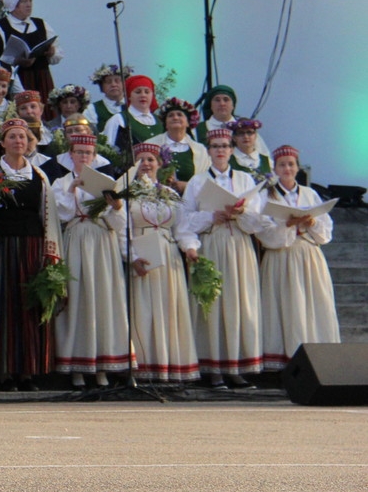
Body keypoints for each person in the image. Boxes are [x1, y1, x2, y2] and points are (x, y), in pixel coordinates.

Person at [0, 117, 62, 390]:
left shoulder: (40, 176)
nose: (18, 141)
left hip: (32, 248)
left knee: (30, 307)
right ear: (2, 143)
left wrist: (49, 251)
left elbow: (48, 215)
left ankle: (28, 371)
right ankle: (4, 371)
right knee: (5, 308)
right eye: (12, 137)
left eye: (23, 137)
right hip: (4, 247)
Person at [178, 128, 268, 389]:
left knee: (239, 303)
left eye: (225, 146)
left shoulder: (243, 179)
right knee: (213, 305)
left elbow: (257, 221)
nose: (220, 150)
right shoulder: (197, 182)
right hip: (212, 242)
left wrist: (240, 213)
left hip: (239, 244)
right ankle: (214, 368)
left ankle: (235, 367)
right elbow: (184, 220)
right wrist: (210, 217)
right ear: (208, 151)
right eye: (215, 146)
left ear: (231, 150)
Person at [51, 132, 132, 388]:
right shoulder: (61, 182)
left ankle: (102, 366)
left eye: (88, 153)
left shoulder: (106, 181)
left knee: (103, 299)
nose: (84, 157)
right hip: (76, 240)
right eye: (79, 153)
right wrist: (71, 190)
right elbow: (60, 215)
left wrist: (117, 207)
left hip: (101, 242)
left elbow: (118, 222)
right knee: (79, 299)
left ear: (94, 156)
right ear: (71, 155)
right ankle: (77, 366)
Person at [256, 146, 339, 371]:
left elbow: (325, 230)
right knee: (287, 307)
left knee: (312, 305)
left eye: (291, 164)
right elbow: (264, 230)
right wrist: (286, 225)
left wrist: (313, 223)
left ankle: (317, 360)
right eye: (282, 164)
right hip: (281, 256)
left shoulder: (309, 194)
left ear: (298, 167)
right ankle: (286, 363)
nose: (287, 168)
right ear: (275, 168)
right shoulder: (267, 195)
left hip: (308, 255)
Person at [123, 143, 199, 385]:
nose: (146, 164)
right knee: (144, 309)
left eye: (151, 159)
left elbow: (183, 228)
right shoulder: (126, 194)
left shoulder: (171, 194)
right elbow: (121, 229)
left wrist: (190, 249)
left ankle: (170, 366)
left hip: (168, 255)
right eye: (141, 159)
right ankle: (145, 367)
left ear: (160, 163)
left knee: (169, 309)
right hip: (142, 251)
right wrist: (131, 256)